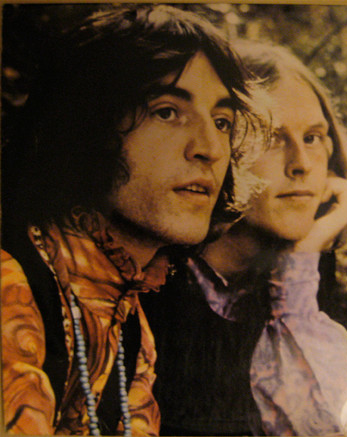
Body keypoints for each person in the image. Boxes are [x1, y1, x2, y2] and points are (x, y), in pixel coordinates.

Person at [0, 6, 265, 435]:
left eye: (222, 122)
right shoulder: (11, 280)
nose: (211, 148)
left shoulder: (130, 321)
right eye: (167, 112)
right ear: (86, 124)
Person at [142, 40, 347, 436]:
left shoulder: (324, 285)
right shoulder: (154, 286)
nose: (302, 164)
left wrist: (299, 268)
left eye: (313, 137)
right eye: (274, 139)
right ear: (222, 150)